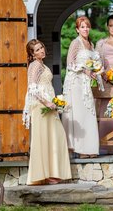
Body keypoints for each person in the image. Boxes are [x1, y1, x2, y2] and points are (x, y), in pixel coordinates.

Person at [22, 39, 71, 185]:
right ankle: (43, 174)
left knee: (55, 136)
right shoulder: (34, 65)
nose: (41, 50)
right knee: (44, 138)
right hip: (41, 107)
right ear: (32, 54)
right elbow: (32, 88)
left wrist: (54, 102)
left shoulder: (42, 64)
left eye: (41, 47)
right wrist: (46, 102)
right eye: (37, 50)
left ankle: (52, 173)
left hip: (49, 107)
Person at [61, 16, 102, 159]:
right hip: (76, 82)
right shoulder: (75, 43)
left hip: (86, 83)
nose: (85, 29)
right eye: (82, 27)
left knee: (88, 113)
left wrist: (97, 71)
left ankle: (89, 148)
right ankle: (80, 149)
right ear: (77, 29)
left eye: (87, 26)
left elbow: (95, 62)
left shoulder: (91, 43)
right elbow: (70, 64)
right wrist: (86, 70)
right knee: (79, 113)